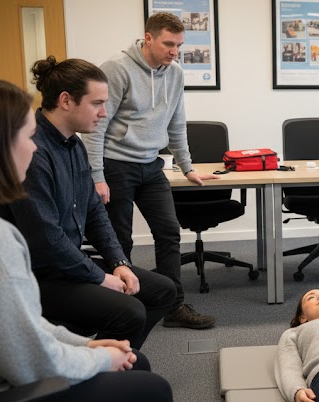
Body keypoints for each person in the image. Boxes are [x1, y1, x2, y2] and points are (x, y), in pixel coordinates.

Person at [0, 75, 172, 402]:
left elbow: (17, 326)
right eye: (27, 137)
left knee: (134, 356)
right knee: (151, 387)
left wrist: (87, 345)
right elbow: (27, 361)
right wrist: (99, 357)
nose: (33, 146)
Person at [0, 57, 177, 350]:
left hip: (66, 265)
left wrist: (119, 262)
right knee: (130, 310)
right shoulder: (32, 152)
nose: (105, 113)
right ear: (66, 100)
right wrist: (99, 278)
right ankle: (93, 365)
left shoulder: (74, 145)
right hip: (37, 275)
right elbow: (46, 239)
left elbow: (94, 211)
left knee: (163, 291)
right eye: (97, 103)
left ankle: (102, 360)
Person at [83, 11, 219, 329]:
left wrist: (187, 167)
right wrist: (97, 176)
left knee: (169, 232)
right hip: (116, 165)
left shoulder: (175, 73)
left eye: (179, 45)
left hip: (151, 165)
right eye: (168, 44)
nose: (174, 52)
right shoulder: (117, 68)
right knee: (119, 240)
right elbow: (96, 126)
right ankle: (123, 306)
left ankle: (174, 306)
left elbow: (176, 123)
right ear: (148, 38)